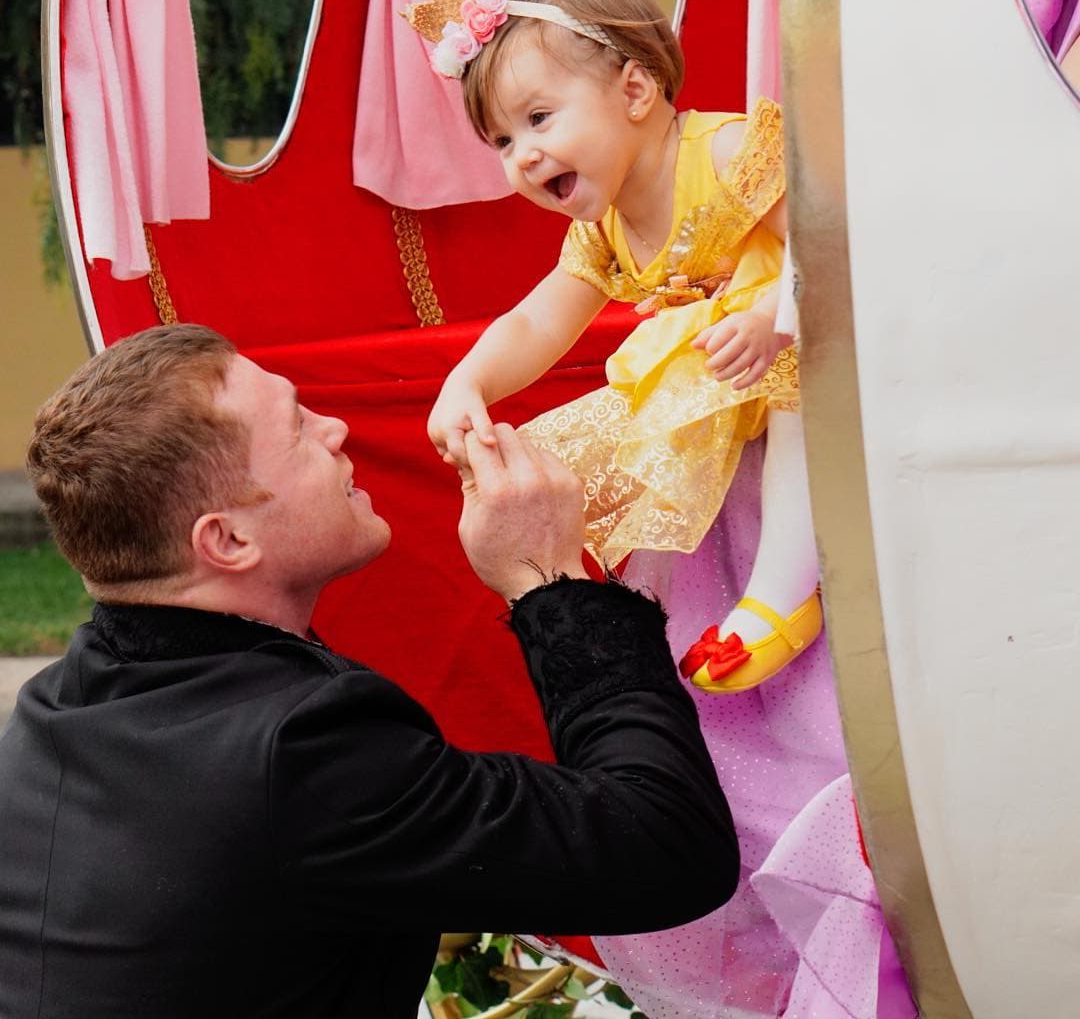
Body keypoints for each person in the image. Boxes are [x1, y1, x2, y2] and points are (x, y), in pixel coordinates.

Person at [0, 323, 738, 1019]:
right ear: (226, 540)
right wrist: (549, 580)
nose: (337, 429)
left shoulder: (50, 713)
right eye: (297, 429)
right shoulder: (301, 752)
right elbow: (663, 847)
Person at [420, 0, 821, 694]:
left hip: (813, 382)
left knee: (789, 382)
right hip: (727, 432)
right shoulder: (602, 229)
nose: (524, 156)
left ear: (635, 89)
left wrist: (776, 314)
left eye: (539, 118)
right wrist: (467, 380)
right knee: (600, 454)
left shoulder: (729, 153)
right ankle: (672, 618)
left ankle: (782, 598)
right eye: (503, 141)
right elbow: (538, 322)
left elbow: (837, 239)